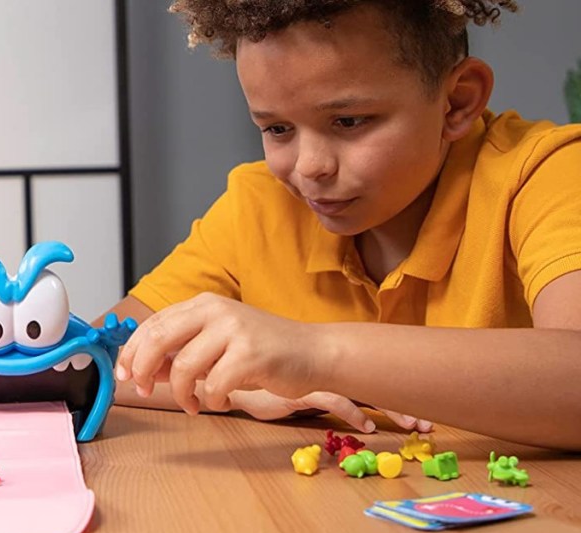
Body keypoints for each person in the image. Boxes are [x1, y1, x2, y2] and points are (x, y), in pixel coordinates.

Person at [105, 0, 581, 450]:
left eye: (349, 121)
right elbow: (87, 359)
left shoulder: (548, 174)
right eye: (276, 129)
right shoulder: (258, 205)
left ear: (457, 101)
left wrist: (313, 356)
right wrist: (230, 387)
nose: (310, 167)